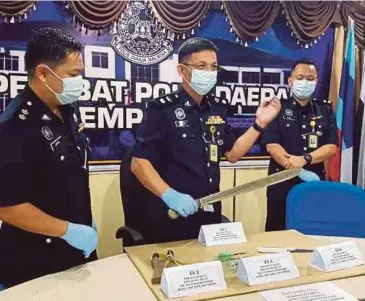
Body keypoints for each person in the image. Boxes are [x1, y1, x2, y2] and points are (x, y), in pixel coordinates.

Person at [129, 37, 281, 244]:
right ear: (182, 71)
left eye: (214, 67)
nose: (209, 73)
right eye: (201, 66)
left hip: (209, 211)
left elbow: (233, 154)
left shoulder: (216, 108)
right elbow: (139, 163)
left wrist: (259, 124)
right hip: (172, 214)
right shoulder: (162, 108)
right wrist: (170, 196)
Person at [0, 28, 98, 288]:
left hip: (74, 255)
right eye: (74, 74)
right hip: (34, 262)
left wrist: (85, 219)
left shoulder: (68, 110)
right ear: (43, 73)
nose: (80, 81)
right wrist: (69, 230)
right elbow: (8, 206)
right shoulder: (14, 125)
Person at [262, 58, 338, 232]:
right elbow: (272, 146)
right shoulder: (276, 108)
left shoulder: (325, 110)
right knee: (277, 236)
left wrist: (305, 159)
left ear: (317, 82)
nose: (305, 82)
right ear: (290, 81)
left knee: (312, 234)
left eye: (310, 78)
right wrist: (296, 169)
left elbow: (331, 146)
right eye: (300, 77)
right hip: (281, 184)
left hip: (314, 183)